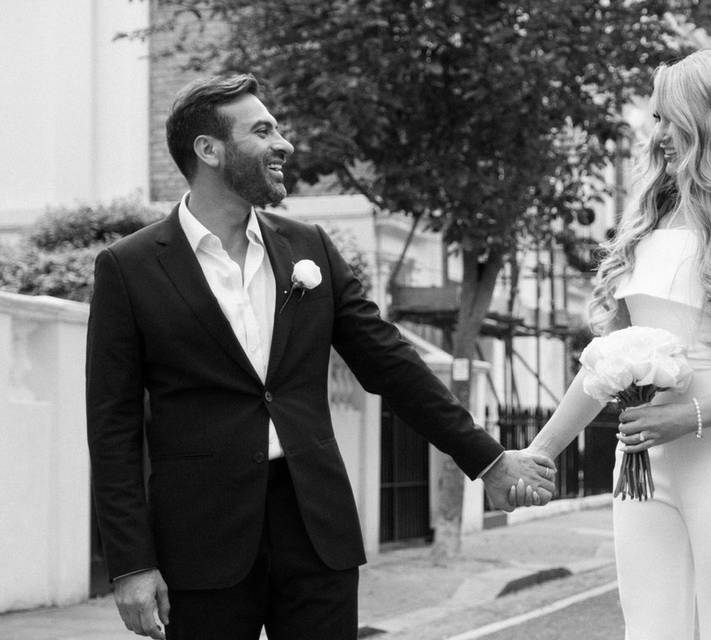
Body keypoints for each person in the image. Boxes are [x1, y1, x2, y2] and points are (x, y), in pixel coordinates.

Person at [86, 74, 555, 640]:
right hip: (200, 543)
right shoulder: (130, 268)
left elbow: (391, 364)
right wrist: (132, 564)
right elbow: (111, 427)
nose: (283, 144)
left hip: (315, 528)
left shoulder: (308, 247)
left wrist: (488, 460)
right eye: (262, 131)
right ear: (208, 150)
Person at [517, 49, 711, 639]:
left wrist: (689, 416)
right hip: (641, 463)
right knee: (649, 632)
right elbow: (606, 361)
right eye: (653, 120)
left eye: (665, 118)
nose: (655, 136)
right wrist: (541, 452)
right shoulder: (648, 220)